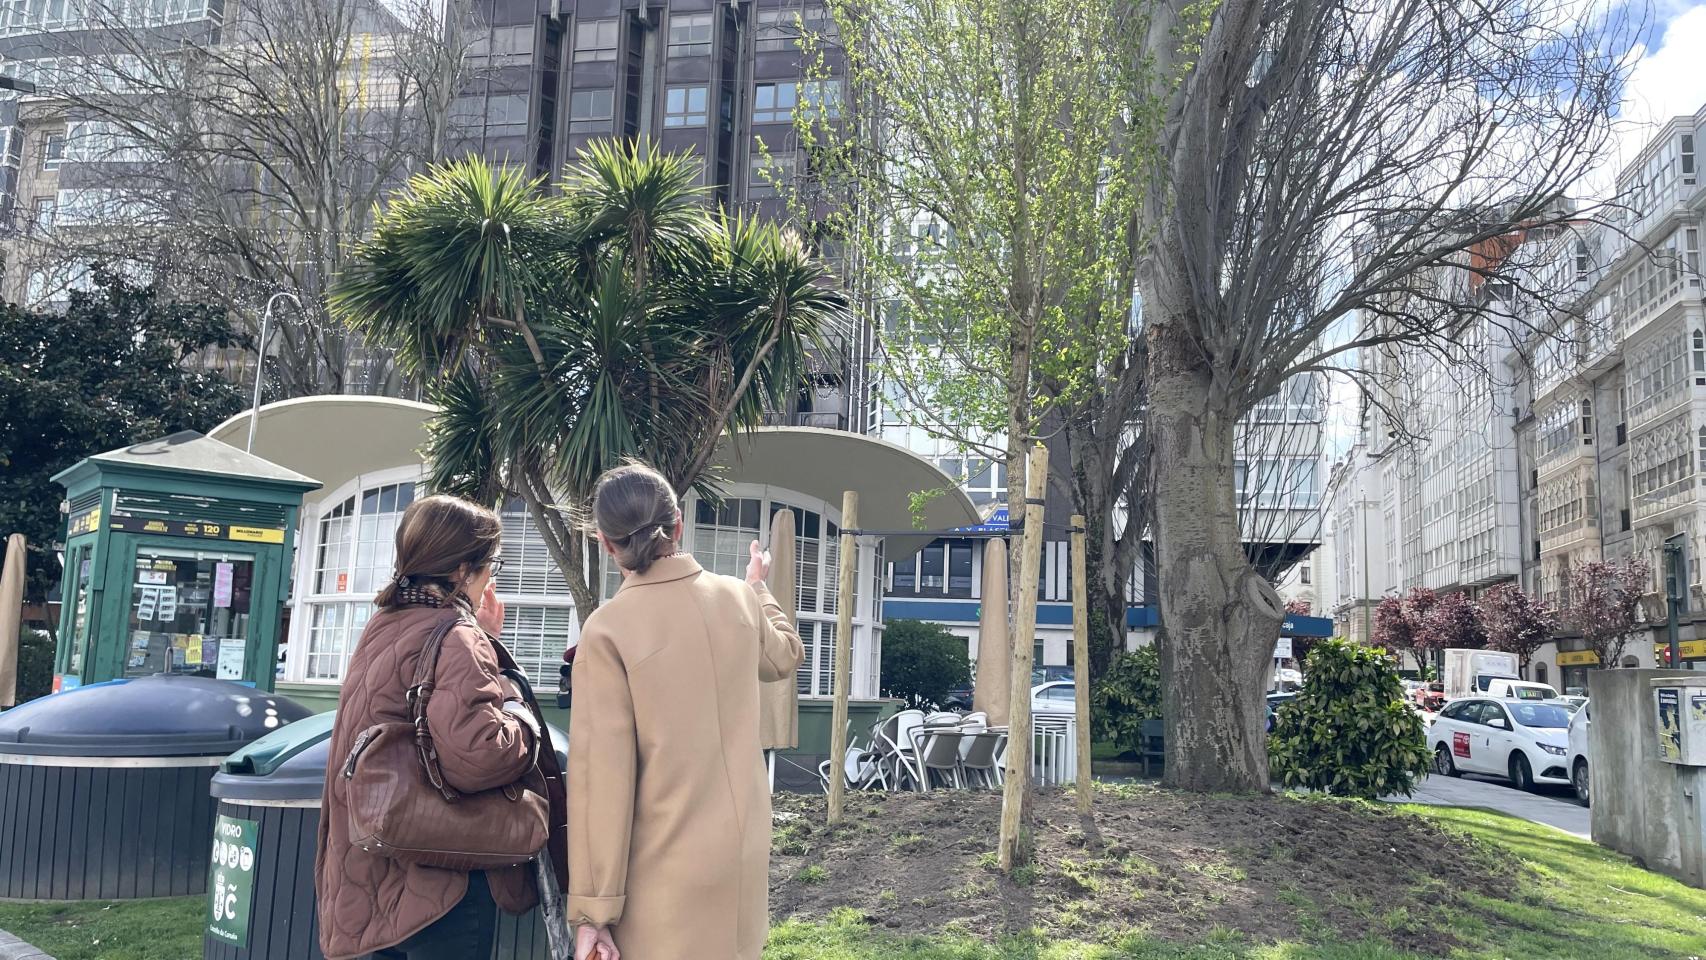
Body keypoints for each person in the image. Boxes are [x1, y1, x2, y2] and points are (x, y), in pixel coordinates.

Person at [569, 463, 805, 960]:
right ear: (677, 525)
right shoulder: (738, 599)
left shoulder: (608, 629)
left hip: (662, 874)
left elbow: (602, 781)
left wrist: (595, 911)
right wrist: (758, 588)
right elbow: (784, 656)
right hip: (743, 858)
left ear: (606, 544)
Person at [315, 494, 565, 960]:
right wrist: (517, 706)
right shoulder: (457, 635)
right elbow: (481, 756)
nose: (492, 577)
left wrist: (482, 636)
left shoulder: (384, 626)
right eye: (491, 564)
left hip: (371, 874)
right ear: (463, 570)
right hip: (442, 889)